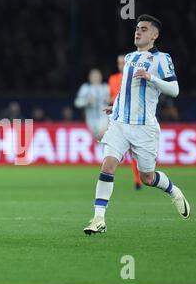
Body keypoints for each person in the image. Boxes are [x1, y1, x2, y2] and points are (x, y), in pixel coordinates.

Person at [84, 14, 190, 235]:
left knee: (148, 177)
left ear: (154, 34)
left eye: (143, 28)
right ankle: (98, 218)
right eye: (136, 28)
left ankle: (174, 191)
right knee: (108, 165)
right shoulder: (131, 57)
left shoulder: (162, 59)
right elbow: (125, 89)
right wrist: (117, 106)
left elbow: (175, 90)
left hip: (144, 128)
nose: (138, 31)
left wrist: (152, 79)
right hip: (120, 123)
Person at [109, 54, 143, 190]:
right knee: (113, 151)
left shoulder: (135, 79)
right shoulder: (112, 79)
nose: (121, 65)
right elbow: (111, 96)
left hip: (133, 119)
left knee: (134, 152)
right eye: (119, 63)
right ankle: (108, 179)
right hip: (117, 119)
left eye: (123, 62)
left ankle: (138, 179)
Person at [74, 69, 109, 141]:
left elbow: (115, 99)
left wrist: (110, 100)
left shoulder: (106, 87)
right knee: (95, 139)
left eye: (97, 76)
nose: (96, 78)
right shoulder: (85, 88)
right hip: (90, 118)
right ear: (90, 77)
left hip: (103, 117)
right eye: (94, 76)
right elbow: (77, 103)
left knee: (102, 135)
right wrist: (86, 101)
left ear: (101, 77)